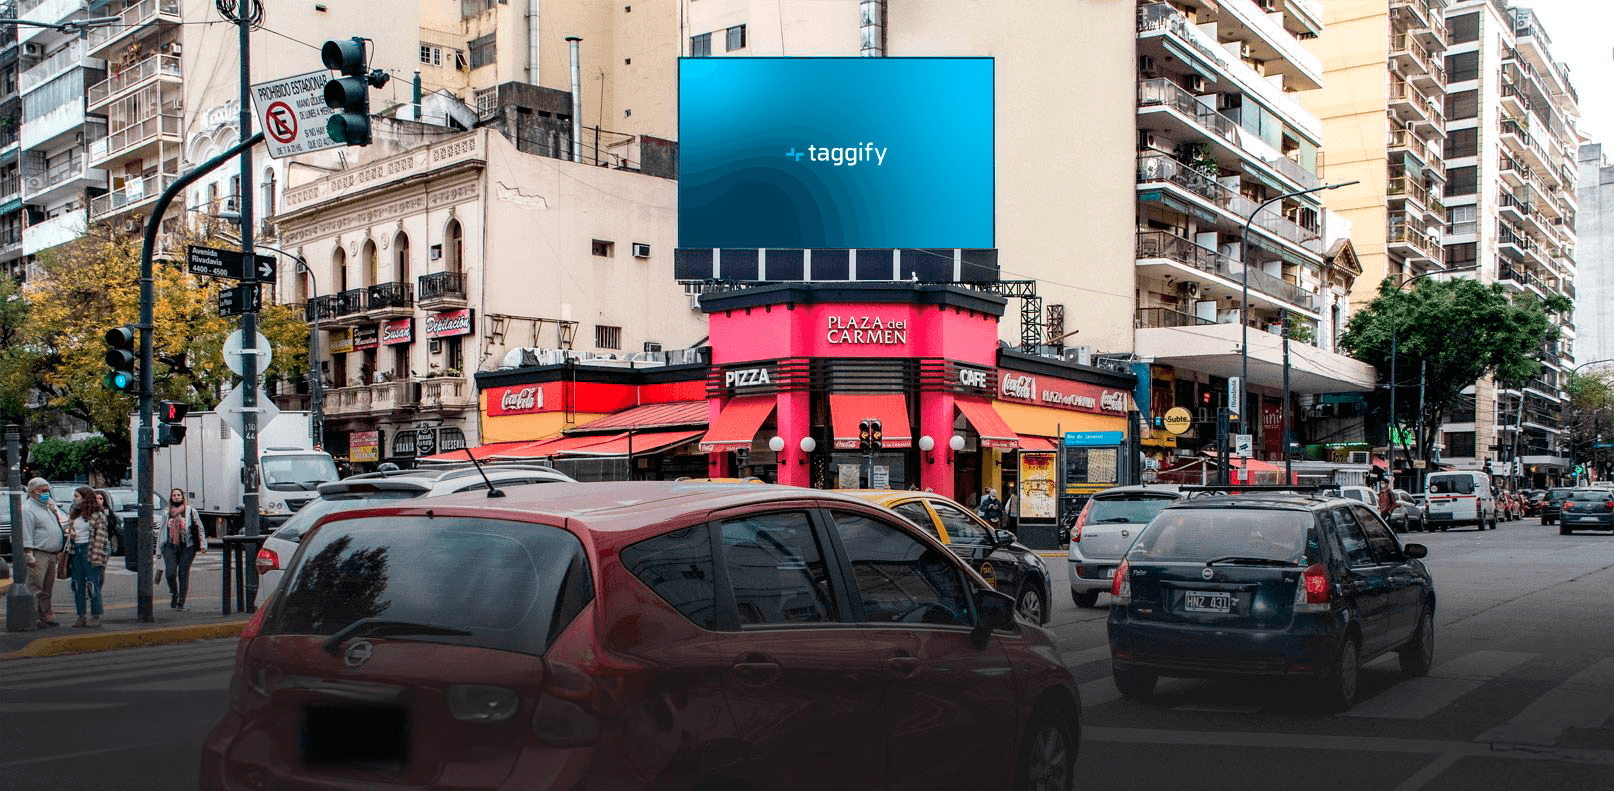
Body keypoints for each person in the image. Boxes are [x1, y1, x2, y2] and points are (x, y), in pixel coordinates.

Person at [21, 477, 67, 628]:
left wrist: (55, 510)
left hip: (52, 554)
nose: (46, 494)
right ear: (33, 492)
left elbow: (63, 521)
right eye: (43, 491)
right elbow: (26, 532)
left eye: (48, 491)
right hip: (38, 553)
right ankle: (32, 618)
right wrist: (28, 553)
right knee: (35, 587)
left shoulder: (47, 506)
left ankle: (45, 616)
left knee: (47, 588)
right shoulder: (28, 509)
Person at [67, 486, 110, 628]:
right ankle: (81, 615)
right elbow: (69, 530)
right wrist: (71, 534)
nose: (75, 499)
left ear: (86, 498)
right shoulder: (75, 513)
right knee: (77, 584)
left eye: (77, 496)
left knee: (92, 584)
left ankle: (96, 615)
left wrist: (96, 558)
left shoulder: (98, 515)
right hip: (76, 550)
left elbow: (101, 538)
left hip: (89, 550)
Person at [161, 488, 207, 611]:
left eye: (178, 495)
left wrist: (203, 544)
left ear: (182, 497)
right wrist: (159, 549)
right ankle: (174, 593)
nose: (176, 497)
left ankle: (181, 603)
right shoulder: (166, 513)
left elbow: (199, 528)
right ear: (171, 498)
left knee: (183, 573)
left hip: (187, 546)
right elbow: (162, 531)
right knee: (170, 573)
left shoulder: (191, 511)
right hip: (170, 546)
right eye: (174, 495)